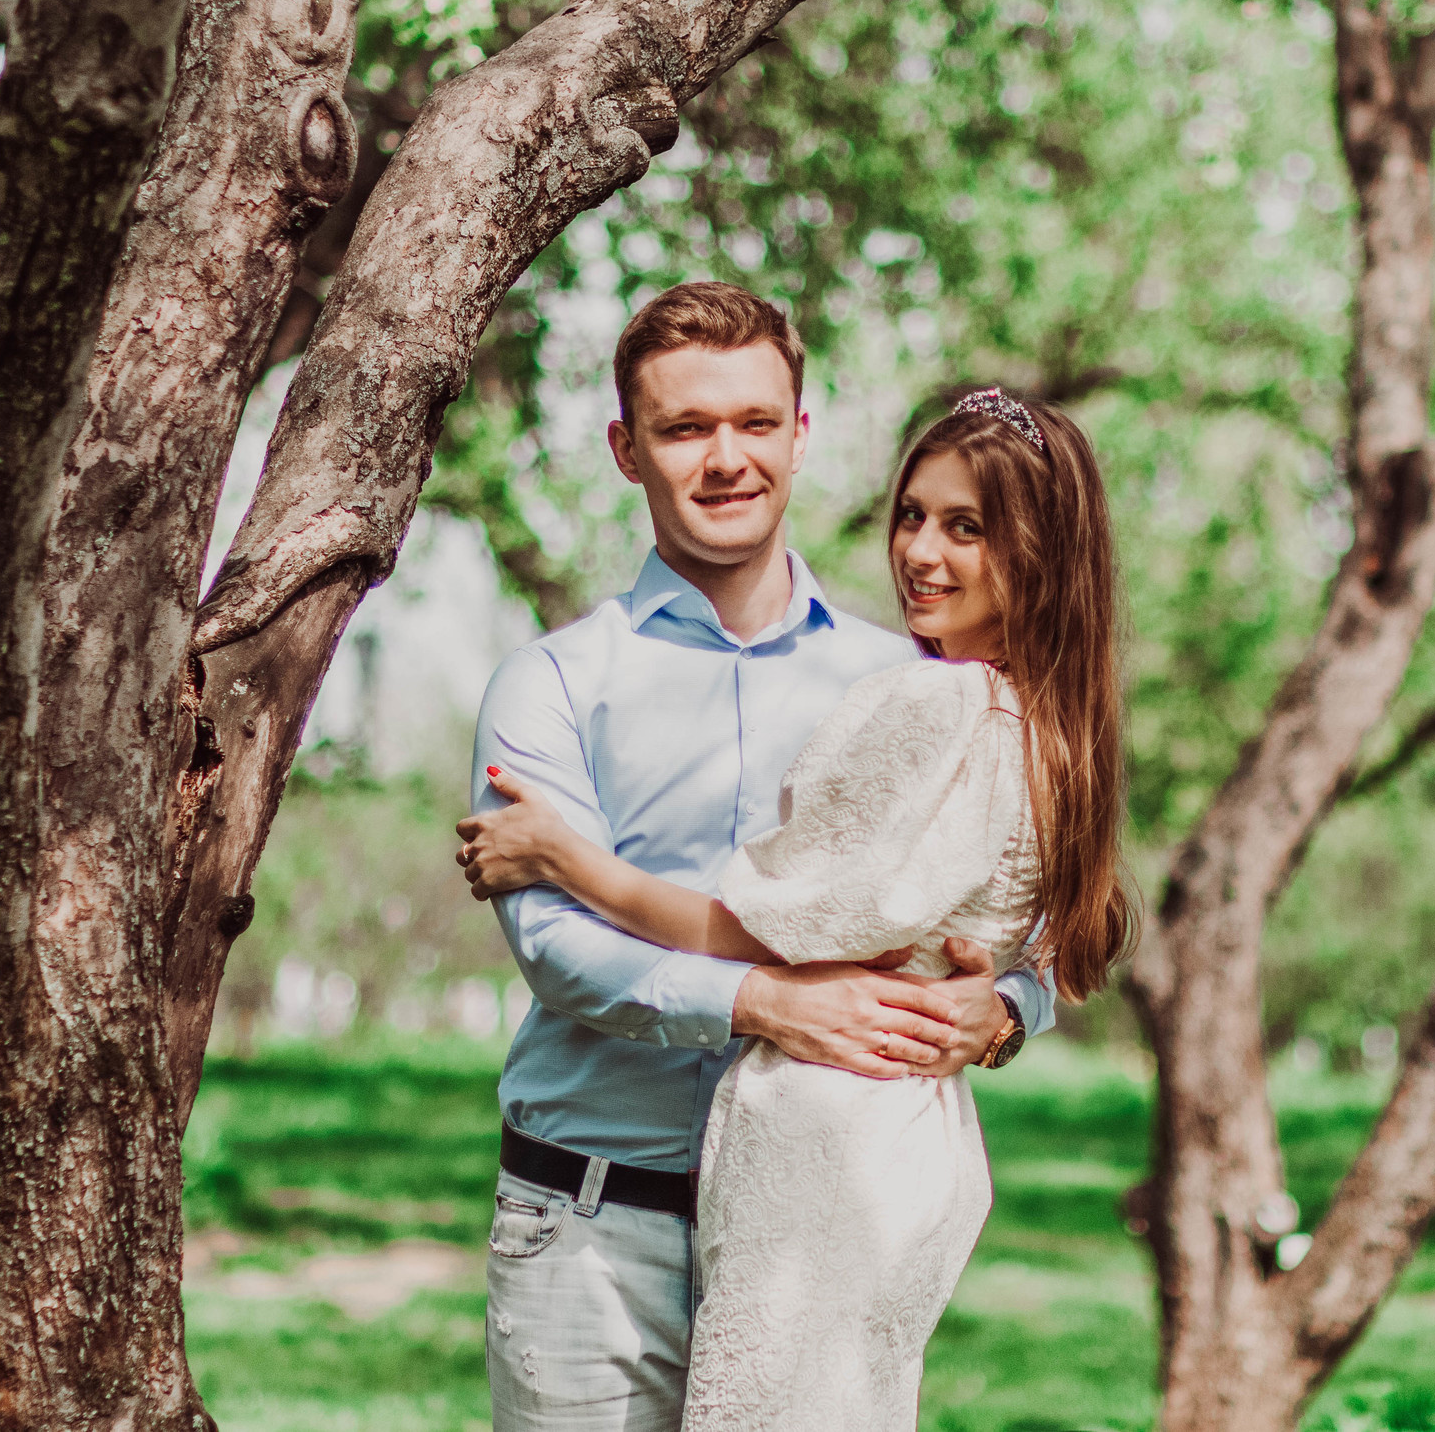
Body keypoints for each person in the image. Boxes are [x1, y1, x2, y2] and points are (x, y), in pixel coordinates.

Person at [460, 374, 1131, 1430]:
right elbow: (551, 952)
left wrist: (1002, 1011)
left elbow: (1060, 923)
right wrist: (763, 1002)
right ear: (629, 448)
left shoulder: (909, 677)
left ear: (799, 438)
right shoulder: (552, 678)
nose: (725, 456)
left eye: (754, 423)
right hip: (593, 1215)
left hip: (821, 1183)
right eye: (686, 427)